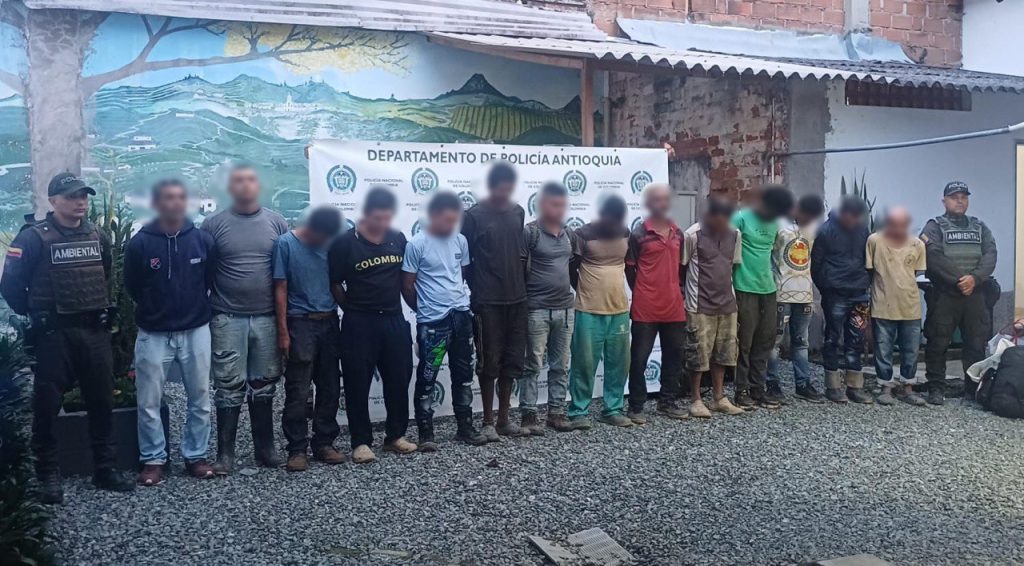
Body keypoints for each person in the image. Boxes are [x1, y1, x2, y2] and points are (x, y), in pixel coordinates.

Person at [0, 173, 134, 503]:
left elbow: (104, 272)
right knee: (47, 406)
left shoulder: (97, 235)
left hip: (93, 331)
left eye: (84, 196)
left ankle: (105, 468)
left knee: (101, 401)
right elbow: (11, 286)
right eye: (73, 196)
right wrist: (37, 314)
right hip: (54, 335)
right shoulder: (33, 238)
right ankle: (47, 475)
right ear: (53, 201)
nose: (81, 202)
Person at [124, 180, 217, 486]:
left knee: (200, 398)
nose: (175, 203)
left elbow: (209, 279)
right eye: (168, 198)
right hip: (153, 333)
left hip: (196, 330)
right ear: (156, 203)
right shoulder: (139, 244)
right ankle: (153, 460)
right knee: (148, 401)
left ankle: (196, 456)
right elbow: (132, 286)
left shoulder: (201, 240)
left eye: (180, 198)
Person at [202, 165, 289, 474]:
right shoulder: (213, 225)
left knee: (264, 383)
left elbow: (284, 272)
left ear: (258, 186)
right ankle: (225, 454)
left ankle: (265, 449)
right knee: (228, 385)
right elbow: (205, 272)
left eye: (251, 180)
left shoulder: (276, 222)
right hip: (228, 317)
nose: (245, 185)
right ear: (230, 188)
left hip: (267, 318)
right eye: (238, 180)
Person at [330, 188, 417, 459]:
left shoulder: (398, 238)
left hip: (393, 319)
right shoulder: (344, 243)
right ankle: (361, 442)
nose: (382, 223)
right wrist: (351, 309)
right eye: (378, 218)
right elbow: (335, 283)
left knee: (399, 379)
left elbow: (407, 279)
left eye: (387, 218)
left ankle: (395, 436)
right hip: (359, 323)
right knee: (357, 384)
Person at [402, 191, 487, 449]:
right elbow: (407, 285)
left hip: (461, 316)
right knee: (428, 375)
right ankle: (426, 432)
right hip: (434, 323)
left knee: (464, 375)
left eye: (455, 219)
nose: (452, 224)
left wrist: (458, 303)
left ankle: (465, 427)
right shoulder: (417, 244)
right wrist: (425, 310)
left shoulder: (460, 240)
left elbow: (462, 274)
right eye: (447, 219)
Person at [273, 205, 346, 472]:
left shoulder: (332, 241)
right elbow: (280, 288)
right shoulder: (285, 244)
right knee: (298, 388)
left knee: (330, 385)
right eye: (321, 236)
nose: (324, 241)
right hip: (299, 322)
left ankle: (324, 442)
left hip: (329, 320)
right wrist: (283, 332)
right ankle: (297, 448)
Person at [461, 162, 529, 440]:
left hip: (518, 299)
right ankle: (487, 421)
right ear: (490, 187)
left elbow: (519, 253)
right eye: (500, 189)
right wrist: (478, 290)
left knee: (512, 361)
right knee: (489, 362)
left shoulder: (518, 212)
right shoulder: (472, 216)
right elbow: (465, 261)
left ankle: (504, 418)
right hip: (487, 301)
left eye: (509, 189)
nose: (504, 194)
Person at [920, 181, 997, 405]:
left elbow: (991, 254)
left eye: (964, 197)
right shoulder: (934, 226)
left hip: (975, 294)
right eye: (954, 197)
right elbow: (933, 257)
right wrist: (961, 280)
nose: (960, 201)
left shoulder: (980, 227)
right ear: (944, 201)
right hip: (945, 294)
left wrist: (975, 279)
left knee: (976, 343)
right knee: (938, 342)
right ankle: (936, 388)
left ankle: (972, 390)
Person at [567, 195, 633, 429]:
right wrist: (585, 290)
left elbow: (629, 267)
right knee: (584, 363)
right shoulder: (583, 234)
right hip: (588, 308)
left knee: (619, 363)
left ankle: (612, 409)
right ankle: (578, 411)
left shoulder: (625, 233)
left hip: (619, 308)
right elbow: (571, 268)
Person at [625, 183, 688, 423]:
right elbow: (630, 270)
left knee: (674, 356)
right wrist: (644, 290)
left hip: (674, 306)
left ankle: (667, 402)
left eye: (666, 199)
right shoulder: (638, 234)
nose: (662, 203)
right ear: (649, 204)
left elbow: (682, 268)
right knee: (639, 358)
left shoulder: (678, 233)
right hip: (645, 307)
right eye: (657, 199)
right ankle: (636, 406)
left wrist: (676, 291)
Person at [518, 181, 576, 433]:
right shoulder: (530, 233)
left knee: (561, 365)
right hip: (537, 309)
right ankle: (528, 415)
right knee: (532, 364)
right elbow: (519, 269)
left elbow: (572, 267)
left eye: (562, 205)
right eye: (554, 204)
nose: (559, 209)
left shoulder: (569, 233)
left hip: (565, 309)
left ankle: (556, 412)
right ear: (542, 205)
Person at [681, 196, 746, 418]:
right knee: (697, 352)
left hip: (727, 302)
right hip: (699, 303)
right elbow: (682, 267)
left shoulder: (735, 234)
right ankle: (696, 399)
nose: (723, 222)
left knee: (724, 352)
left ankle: (719, 397)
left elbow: (732, 265)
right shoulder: (692, 235)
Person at [731, 185, 792, 410]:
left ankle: (758, 388)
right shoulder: (740, 219)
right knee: (745, 341)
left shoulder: (775, 224)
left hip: (768, 288)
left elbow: (775, 255)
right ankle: (741, 390)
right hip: (744, 287)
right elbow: (727, 251)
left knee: (765, 341)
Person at [811, 195, 873, 404]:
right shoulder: (825, 230)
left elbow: (868, 259)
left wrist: (865, 282)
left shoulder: (863, 230)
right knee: (833, 339)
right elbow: (816, 264)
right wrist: (827, 288)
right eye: (851, 216)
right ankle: (833, 386)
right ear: (843, 213)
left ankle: (855, 387)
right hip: (835, 292)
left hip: (859, 292)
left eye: (857, 216)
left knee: (856, 339)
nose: (853, 220)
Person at [768, 193, 826, 403]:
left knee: (801, 342)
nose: (809, 220)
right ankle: (771, 384)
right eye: (807, 215)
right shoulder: (777, 224)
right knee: (774, 342)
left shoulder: (813, 227)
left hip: (804, 294)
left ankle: (803, 384)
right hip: (780, 293)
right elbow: (768, 255)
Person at [867, 207, 928, 407]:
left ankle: (908, 387)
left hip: (910, 305)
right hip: (882, 303)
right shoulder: (874, 241)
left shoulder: (917, 244)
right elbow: (869, 271)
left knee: (911, 349)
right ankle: (885, 387)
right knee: (883, 348)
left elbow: (917, 272)